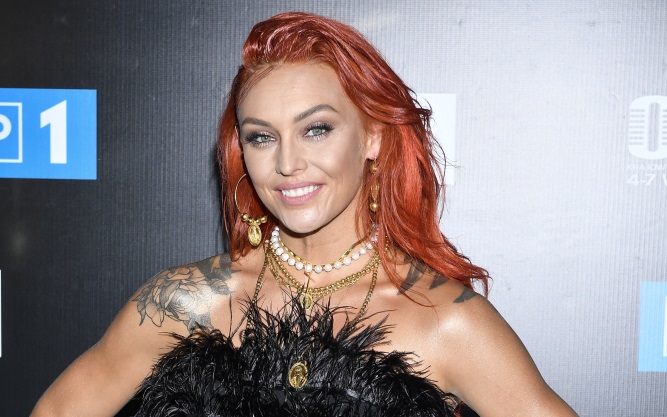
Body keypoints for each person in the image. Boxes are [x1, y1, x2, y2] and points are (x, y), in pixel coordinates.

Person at [31, 11, 578, 417]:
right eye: (261, 137)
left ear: (372, 136)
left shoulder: (446, 322)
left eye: (316, 129)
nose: (288, 164)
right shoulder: (181, 303)